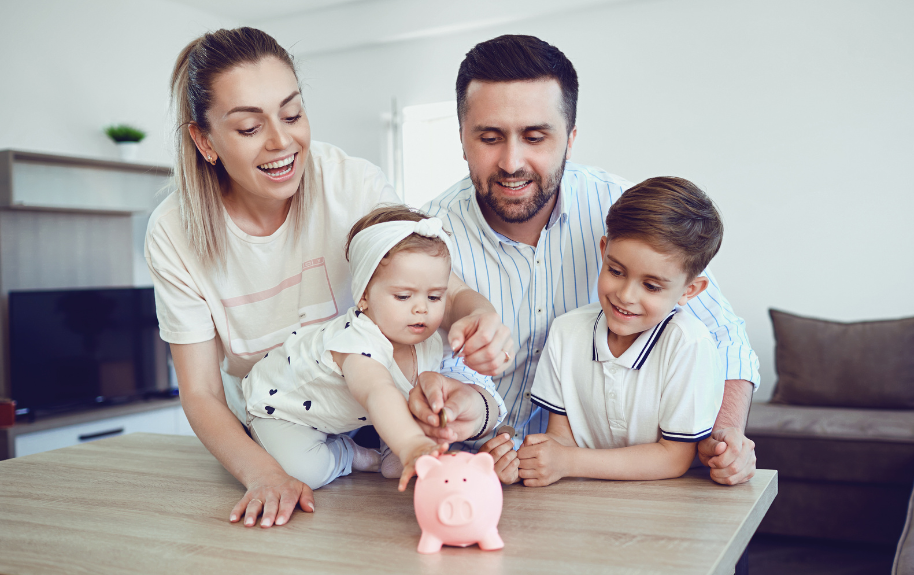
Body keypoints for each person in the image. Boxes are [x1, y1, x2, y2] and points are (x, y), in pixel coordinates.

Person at [146, 27, 512, 529]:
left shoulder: (351, 184)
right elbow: (201, 392)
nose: (282, 141)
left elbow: (434, 287)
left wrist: (478, 313)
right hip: (280, 426)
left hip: (372, 416)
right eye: (249, 128)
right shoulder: (174, 232)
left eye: (293, 114)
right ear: (204, 140)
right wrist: (264, 474)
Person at [417, 34, 758, 485]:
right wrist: (474, 430)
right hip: (470, 477)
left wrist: (727, 433)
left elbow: (724, 336)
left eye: (535, 137)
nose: (512, 162)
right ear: (462, 138)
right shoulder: (425, 238)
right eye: (490, 137)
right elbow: (418, 371)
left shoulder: (621, 209)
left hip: (604, 479)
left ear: (570, 139)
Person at [243, 206, 477, 492]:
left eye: (435, 296)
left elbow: (407, 397)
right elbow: (377, 391)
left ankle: (390, 448)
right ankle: (348, 453)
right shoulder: (357, 341)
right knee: (305, 473)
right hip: (280, 409)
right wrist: (412, 443)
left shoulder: (429, 342)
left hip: (343, 415)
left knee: (396, 466)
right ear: (364, 295)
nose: (421, 308)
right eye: (403, 296)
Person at [515, 177, 725, 485]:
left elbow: (674, 457)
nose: (626, 295)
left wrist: (568, 461)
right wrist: (535, 458)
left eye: (651, 286)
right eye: (616, 271)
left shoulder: (688, 345)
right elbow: (560, 438)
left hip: (664, 507)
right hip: (582, 504)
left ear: (690, 290)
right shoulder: (566, 332)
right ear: (604, 250)